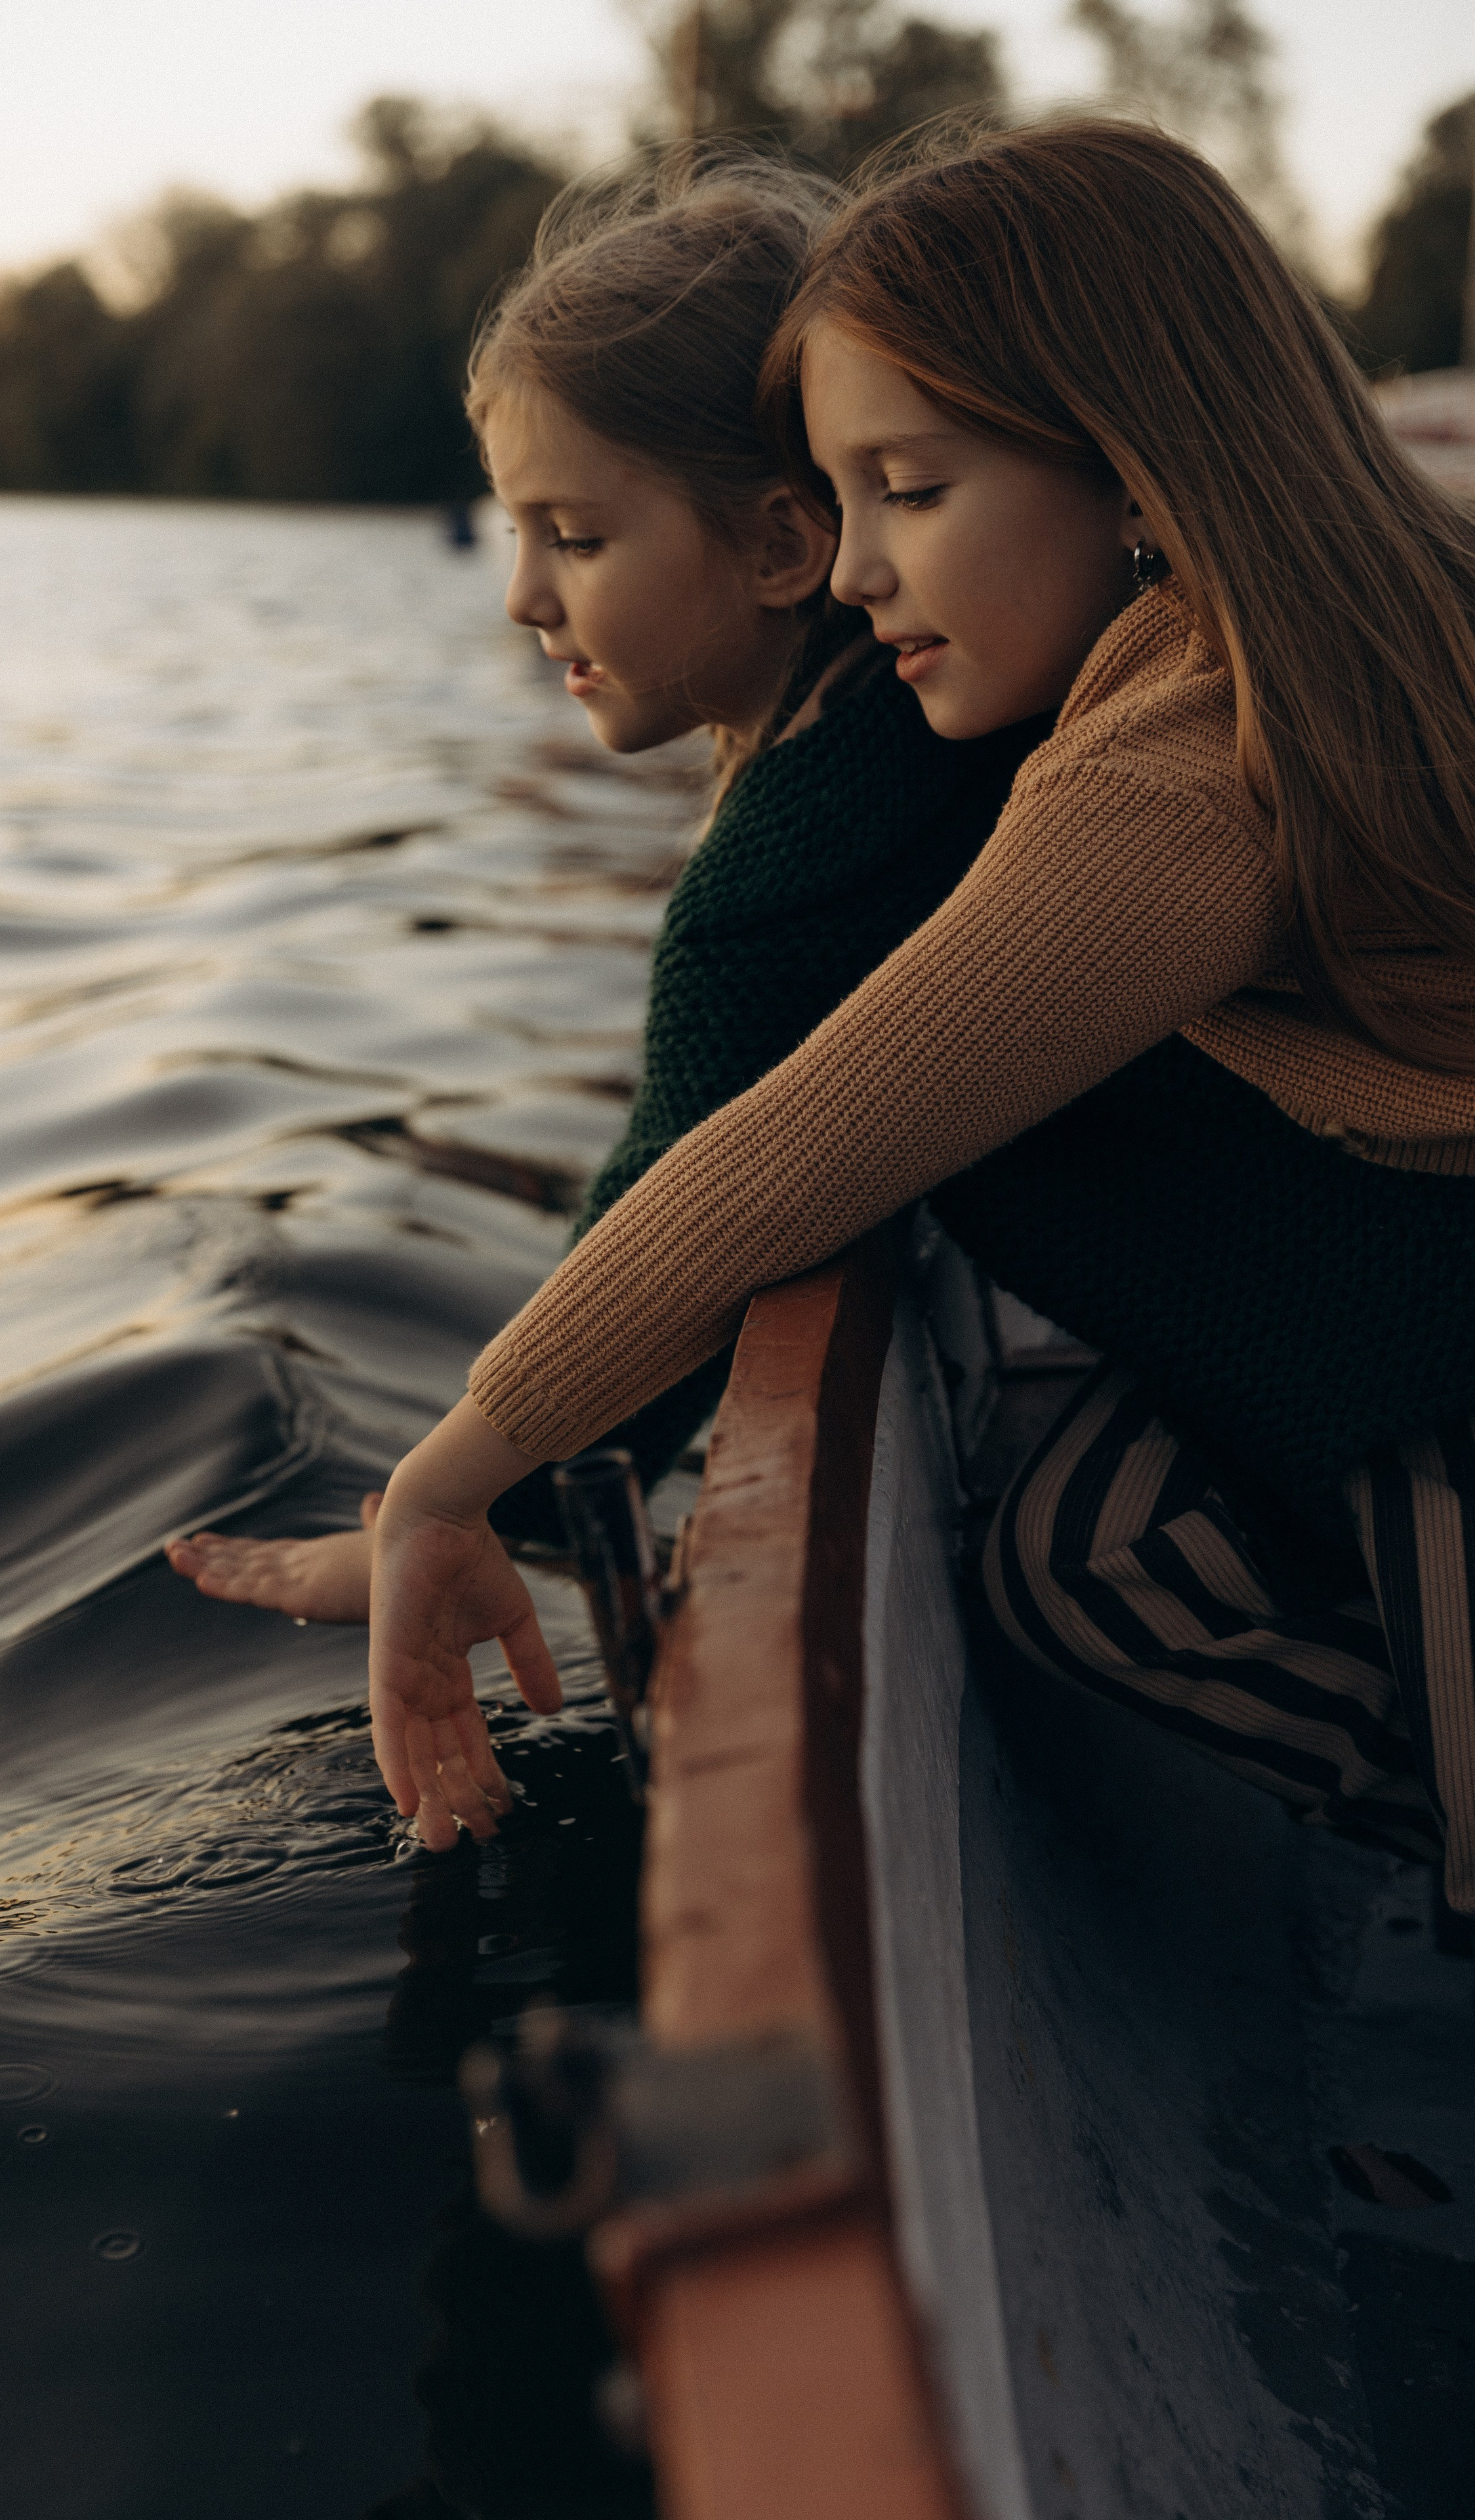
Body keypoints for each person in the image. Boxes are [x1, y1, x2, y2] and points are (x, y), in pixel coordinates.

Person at [354, 119, 1475, 1910]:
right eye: (843, 497)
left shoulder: (1175, 778)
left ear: (1132, 470)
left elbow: (796, 1148)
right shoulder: (1230, 655)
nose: (861, 572)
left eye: (914, 490)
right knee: (1085, 1546)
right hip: (1402, 1315)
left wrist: (447, 1476)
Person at [168, 154, 1053, 1610]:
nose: (521, 595)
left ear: (780, 541)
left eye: (571, 537)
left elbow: (673, 1213)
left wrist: (475, 1510)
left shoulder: (792, 866)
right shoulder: (938, 724)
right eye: (516, 531)